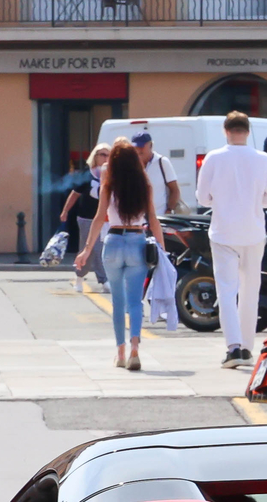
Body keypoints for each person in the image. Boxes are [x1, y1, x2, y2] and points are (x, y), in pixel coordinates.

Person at [195, 110, 267, 369]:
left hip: (223, 232)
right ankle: (247, 347)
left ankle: (233, 348)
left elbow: (202, 198)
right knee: (250, 291)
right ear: (248, 131)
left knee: (227, 291)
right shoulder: (263, 159)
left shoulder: (214, 158)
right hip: (253, 232)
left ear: (225, 131)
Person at [75, 138, 162, 372]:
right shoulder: (145, 186)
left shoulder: (109, 185)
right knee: (135, 301)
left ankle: (120, 352)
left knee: (117, 302)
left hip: (112, 241)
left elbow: (98, 218)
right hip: (136, 241)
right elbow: (153, 220)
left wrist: (86, 250)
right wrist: (161, 250)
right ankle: (135, 349)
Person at [59, 144, 108, 279]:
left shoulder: (112, 175)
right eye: (103, 155)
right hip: (87, 218)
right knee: (90, 249)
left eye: (108, 155)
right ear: (95, 157)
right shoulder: (87, 175)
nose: (106, 158)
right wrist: (65, 211)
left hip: (107, 219)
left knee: (102, 249)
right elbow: (74, 195)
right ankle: (83, 275)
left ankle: (103, 278)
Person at [131, 130, 180, 215]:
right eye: (136, 147)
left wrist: (169, 210)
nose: (138, 150)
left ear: (150, 145)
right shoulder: (131, 164)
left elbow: (174, 189)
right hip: (137, 219)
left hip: (159, 217)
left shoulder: (162, 162)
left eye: (141, 146)